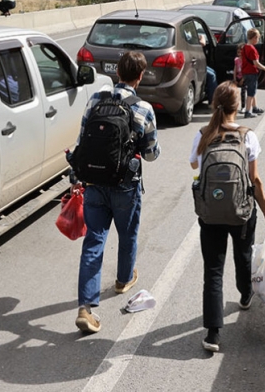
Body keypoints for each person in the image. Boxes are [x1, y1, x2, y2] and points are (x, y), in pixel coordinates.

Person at [189, 81, 265, 352]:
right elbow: (255, 180)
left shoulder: (202, 134)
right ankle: (244, 294)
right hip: (242, 212)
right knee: (243, 256)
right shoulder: (247, 136)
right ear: (238, 106)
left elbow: (194, 165)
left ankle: (213, 335)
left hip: (210, 214)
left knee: (213, 270)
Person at [74, 51, 160, 334]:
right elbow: (150, 155)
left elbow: (82, 139)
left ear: (117, 74)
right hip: (125, 185)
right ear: (139, 76)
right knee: (127, 233)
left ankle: (86, 308)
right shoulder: (143, 108)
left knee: (94, 242)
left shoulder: (97, 99)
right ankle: (124, 280)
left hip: (95, 183)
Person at [240, 28, 265, 118]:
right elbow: (256, 63)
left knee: (252, 89)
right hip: (251, 72)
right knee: (251, 92)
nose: (258, 40)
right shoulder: (252, 50)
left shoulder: (244, 47)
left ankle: (254, 107)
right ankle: (248, 111)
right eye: (258, 38)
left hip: (245, 71)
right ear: (254, 38)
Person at [233, 43, 247, 109]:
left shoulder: (245, 61)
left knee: (243, 92)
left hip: (244, 78)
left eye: (241, 51)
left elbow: (246, 71)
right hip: (238, 77)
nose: (239, 53)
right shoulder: (236, 60)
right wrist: (235, 79)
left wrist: (242, 79)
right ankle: (233, 105)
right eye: (238, 51)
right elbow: (235, 70)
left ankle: (243, 106)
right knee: (233, 91)